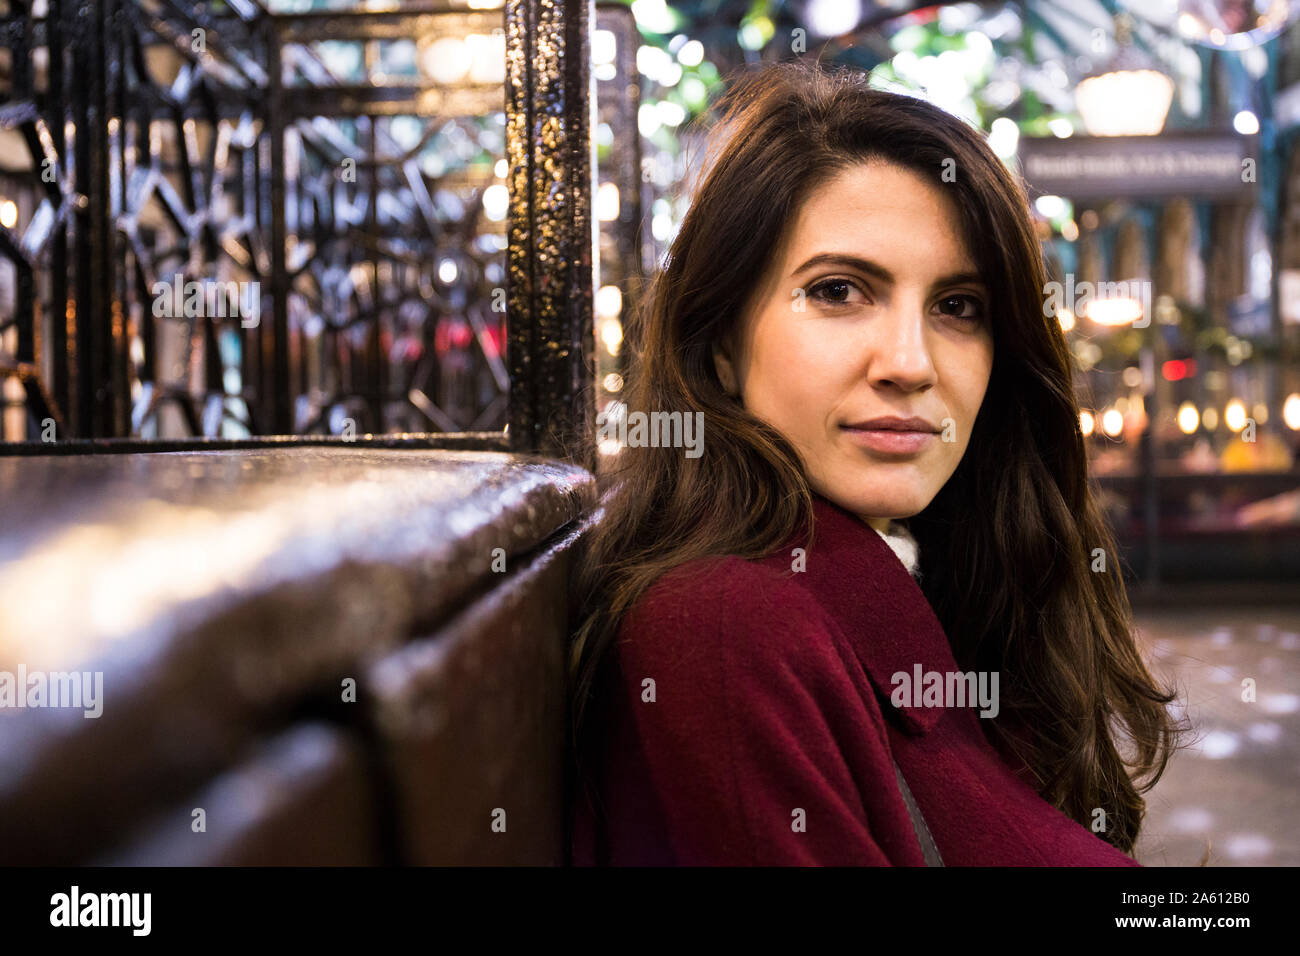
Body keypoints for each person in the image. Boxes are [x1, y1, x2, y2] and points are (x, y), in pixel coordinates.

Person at [566, 59, 1190, 866]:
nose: (909, 362)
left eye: (959, 307)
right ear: (720, 342)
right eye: (837, 291)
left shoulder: (936, 579)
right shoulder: (725, 627)